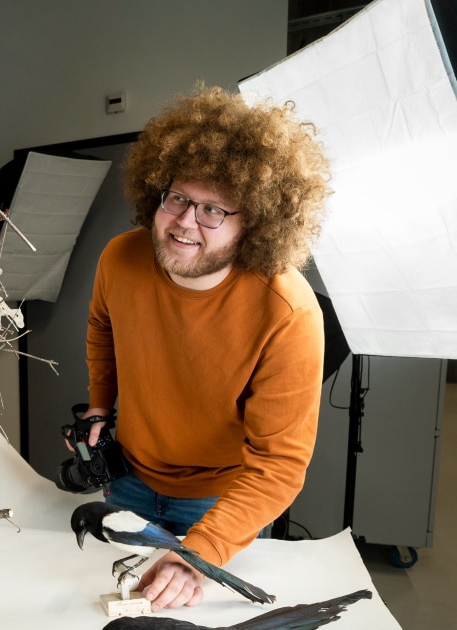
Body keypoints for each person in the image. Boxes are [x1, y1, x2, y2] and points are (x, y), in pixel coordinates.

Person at [79, 85, 332, 611]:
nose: (185, 222)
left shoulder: (288, 312)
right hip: (129, 478)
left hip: (222, 503)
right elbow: (103, 327)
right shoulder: (120, 258)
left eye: (214, 210)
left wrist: (200, 554)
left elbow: (279, 466)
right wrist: (101, 405)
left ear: (255, 224)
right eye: (178, 198)